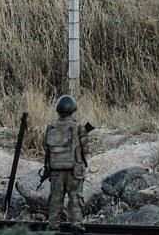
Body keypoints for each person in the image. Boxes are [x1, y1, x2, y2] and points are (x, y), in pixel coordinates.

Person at [44, 95, 90, 233]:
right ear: (73, 109)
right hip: (74, 171)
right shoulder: (78, 127)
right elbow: (85, 149)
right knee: (75, 200)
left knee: (55, 201)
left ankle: (53, 228)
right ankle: (77, 227)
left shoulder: (50, 127)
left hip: (56, 171)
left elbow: (47, 149)